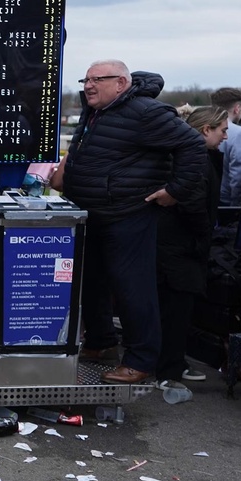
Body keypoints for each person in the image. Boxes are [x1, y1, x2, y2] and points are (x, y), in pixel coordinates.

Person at [48, 62, 204, 384]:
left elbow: (192, 144)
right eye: (86, 79)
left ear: (121, 82)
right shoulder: (97, 110)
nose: (88, 85)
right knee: (91, 282)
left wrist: (176, 191)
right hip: (92, 213)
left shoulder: (146, 112)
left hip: (128, 214)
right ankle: (101, 342)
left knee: (132, 288)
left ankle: (140, 360)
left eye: (97, 79)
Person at [155, 106, 225, 391]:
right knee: (175, 310)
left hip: (177, 245)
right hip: (180, 247)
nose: (226, 136)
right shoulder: (193, 159)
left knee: (176, 310)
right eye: (222, 130)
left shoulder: (192, 155)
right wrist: (204, 235)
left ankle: (173, 362)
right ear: (206, 129)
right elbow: (193, 203)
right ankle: (167, 369)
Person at [210, 87, 241, 207]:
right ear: (237, 108)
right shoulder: (239, 133)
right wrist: (236, 205)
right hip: (227, 200)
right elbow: (238, 176)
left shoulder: (202, 129)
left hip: (205, 198)